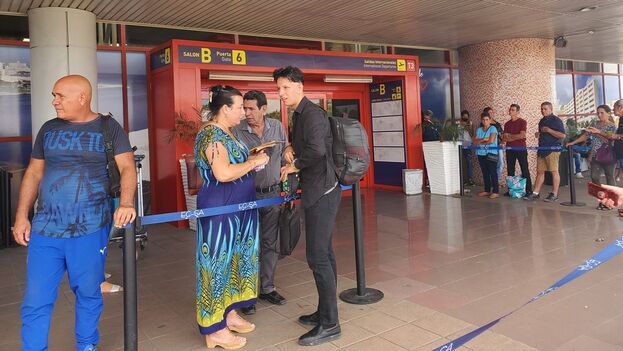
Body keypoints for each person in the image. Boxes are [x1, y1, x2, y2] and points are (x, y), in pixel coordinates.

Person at [13, 75, 136, 351]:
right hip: (46, 230)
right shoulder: (48, 129)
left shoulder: (109, 127)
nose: (54, 101)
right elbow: (34, 172)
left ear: (82, 97)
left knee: (88, 293)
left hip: (90, 229)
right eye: (53, 96)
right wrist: (22, 215)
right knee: (36, 299)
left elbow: (127, 167)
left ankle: (86, 345)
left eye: (60, 96)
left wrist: (126, 202)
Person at [193, 85, 269, 349]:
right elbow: (223, 173)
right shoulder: (210, 135)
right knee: (217, 265)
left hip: (239, 208)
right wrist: (252, 164)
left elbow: (232, 161)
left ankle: (229, 313)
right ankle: (214, 329)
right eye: (239, 107)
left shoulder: (228, 132)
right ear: (225, 109)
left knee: (236, 263)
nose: (243, 112)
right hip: (221, 210)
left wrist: (250, 157)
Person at [275, 66, 342, 346]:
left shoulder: (312, 114)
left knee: (317, 256)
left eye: (285, 88)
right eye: (279, 89)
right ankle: (325, 312)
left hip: (323, 192)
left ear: (300, 87)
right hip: (317, 190)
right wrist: (291, 148)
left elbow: (315, 151)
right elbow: (306, 146)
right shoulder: (300, 115)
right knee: (323, 253)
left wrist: (293, 166)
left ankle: (330, 324)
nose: (281, 94)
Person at [234, 90, 287, 315]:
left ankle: (267, 288)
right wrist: (251, 157)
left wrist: (290, 159)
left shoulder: (277, 126)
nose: (247, 113)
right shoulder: (237, 131)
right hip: (247, 196)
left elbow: (285, 152)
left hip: (273, 194)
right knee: (248, 245)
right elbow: (232, 162)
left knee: (270, 244)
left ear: (264, 109)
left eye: (251, 109)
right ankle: (246, 296)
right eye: (244, 108)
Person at [567, 105, 616, 208]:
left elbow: (609, 140)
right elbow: (586, 135)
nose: (599, 115)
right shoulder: (595, 124)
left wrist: (597, 132)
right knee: (594, 177)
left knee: (609, 177)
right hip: (595, 155)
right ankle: (602, 199)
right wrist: (573, 142)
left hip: (608, 155)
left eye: (602, 112)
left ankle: (610, 202)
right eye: (598, 113)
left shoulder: (612, 126)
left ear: (608, 113)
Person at [525, 102, 566, 202]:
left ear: (551, 109)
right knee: (540, 172)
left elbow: (562, 135)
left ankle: (554, 194)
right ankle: (535, 193)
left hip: (553, 149)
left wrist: (549, 130)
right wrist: (538, 134)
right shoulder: (542, 121)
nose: (543, 110)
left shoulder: (556, 120)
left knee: (554, 171)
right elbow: (544, 133)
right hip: (542, 149)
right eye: (542, 109)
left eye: (545, 109)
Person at [503, 104, 532, 196]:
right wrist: (515, 136)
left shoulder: (522, 122)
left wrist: (510, 136)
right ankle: (511, 190)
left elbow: (522, 135)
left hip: (521, 149)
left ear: (517, 112)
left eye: (513, 110)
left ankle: (528, 190)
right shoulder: (507, 124)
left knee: (524, 169)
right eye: (510, 109)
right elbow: (504, 138)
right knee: (510, 170)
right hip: (510, 149)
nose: (510, 111)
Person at [473, 112, 499, 199]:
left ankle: (495, 191)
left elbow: (491, 141)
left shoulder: (493, 128)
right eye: (483, 120)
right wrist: (484, 139)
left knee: (493, 172)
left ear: (490, 120)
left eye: (487, 119)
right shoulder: (479, 130)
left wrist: (480, 141)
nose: (485, 121)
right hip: (481, 153)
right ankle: (487, 190)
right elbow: (474, 142)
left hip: (491, 153)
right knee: (485, 173)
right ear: (481, 120)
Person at [483, 107, 505, 183]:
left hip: (499, 146)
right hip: (490, 147)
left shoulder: (497, 123)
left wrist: (503, 142)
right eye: (490, 112)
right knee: (491, 165)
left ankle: (495, 181)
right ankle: (492, 182)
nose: (491, 114)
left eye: (492, 112)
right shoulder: (484, 124)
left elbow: (501, 134)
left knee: (501, 163)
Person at [459, 110, 475, 186]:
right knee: (461, 163)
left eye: (466, 116)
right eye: (464, 116)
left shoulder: (470, 124)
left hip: (468, 144)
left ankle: (470, 179)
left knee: (469, 162)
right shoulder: (458, 124)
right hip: (459, 144)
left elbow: (472, 134)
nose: (465, 117)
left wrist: (469, 126)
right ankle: (463, 180)